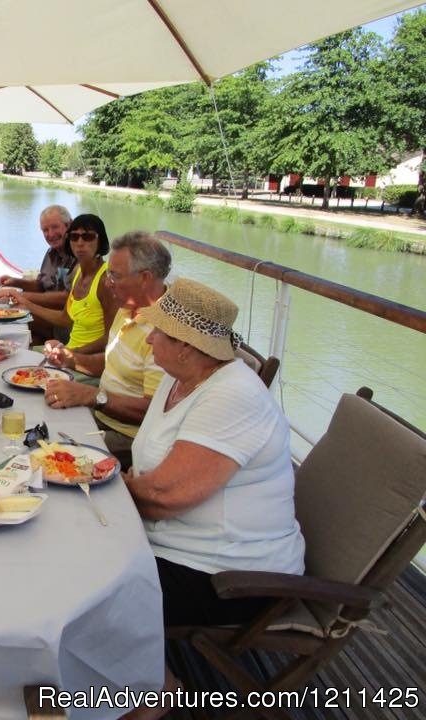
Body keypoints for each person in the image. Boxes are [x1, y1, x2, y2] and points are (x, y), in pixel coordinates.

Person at [121, 278, 304, 719]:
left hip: (230, 574)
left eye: (158, 332)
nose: (149, 338)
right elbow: (152, 478)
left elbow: (166, 496)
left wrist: (105, 483)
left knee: (90, 587)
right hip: (174, 543)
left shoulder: (232, 395)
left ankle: (152, 691)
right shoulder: (179, 376)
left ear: (187, 345)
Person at [41, 231, 170, 469]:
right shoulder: (128, 306)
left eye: (114, 275)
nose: (108, 282)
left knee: (49, 457)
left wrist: (92, 396)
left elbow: (154, 411)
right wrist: (70, 359)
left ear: (145, 278)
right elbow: (112, 362)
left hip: (127, 437)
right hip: (101, 415)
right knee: (37, 424)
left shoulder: (166, 333)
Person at [0, 214, 116, 372]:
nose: (80, 243)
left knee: (20, 369)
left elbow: (111, 337)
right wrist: (26, 305)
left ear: (100, 241)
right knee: (10, 358)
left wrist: (71, 353)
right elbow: (65, 318)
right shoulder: (78, 272)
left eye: (88, 236)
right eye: (74, 237)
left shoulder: (105, 280)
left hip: (84, 362)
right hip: (67, 351)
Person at [0, 204, 76, 345]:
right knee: (20, 328)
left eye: (54, 227)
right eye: (45, 230)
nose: (50, 234)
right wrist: (15, 282)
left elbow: (66, 298)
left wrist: (21, 296)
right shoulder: (51, 252)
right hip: (47, 317)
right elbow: (40, 285)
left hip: (66, 323)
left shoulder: (79, 254)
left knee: (13, 317)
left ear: (69, 225)